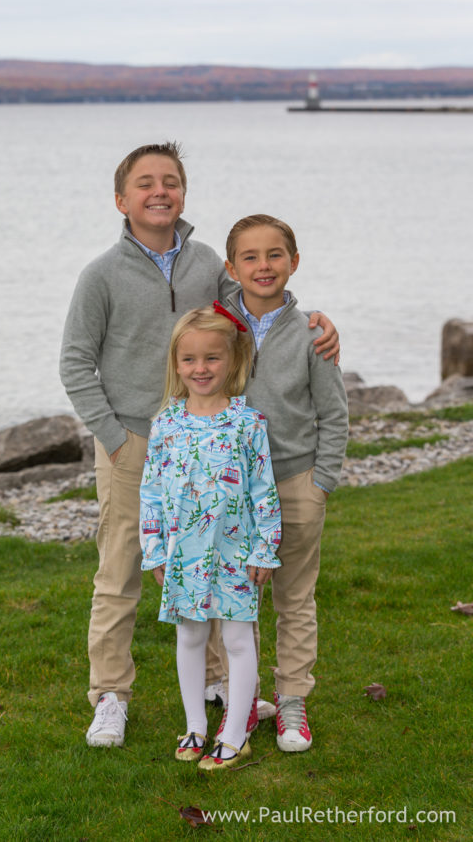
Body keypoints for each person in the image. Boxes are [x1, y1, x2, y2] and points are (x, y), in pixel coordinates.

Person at [59, 142, 339, 748]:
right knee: (122, 574)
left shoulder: (209, 262)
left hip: (216, 442)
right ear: (121, 199)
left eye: (170, 181)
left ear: (183, 193)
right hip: (135, 443)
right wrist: (112, 437)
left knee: (217, 556)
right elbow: (76, 364)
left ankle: (219, 681)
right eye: (144, 183)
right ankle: (110, 696)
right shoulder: (100, 275)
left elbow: (253, 305)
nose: (159, 191)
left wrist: (316, 320)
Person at [219, 213, 349, 753]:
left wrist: (322, 482)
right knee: (237, 599)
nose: (263, 266)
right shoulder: (218, 326)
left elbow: (334, 414)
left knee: (294, 598)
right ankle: (242, 700)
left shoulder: (312, 334)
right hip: (230, 489)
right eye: (249, 257)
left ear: (294, 262)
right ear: (231, 268)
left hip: (295, 481)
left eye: (275, 255)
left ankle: (292, 700)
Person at [140, 304, 282, 770]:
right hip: (185, 554)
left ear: (232, 361)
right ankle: (196, 726)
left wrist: (265, 548)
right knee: (191, 637)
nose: (200, 369)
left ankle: (236, 732)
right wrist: (155, 551)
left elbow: (263, 490)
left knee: (239, 640)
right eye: (189, 360)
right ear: (176, 365)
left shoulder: (248, 423)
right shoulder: (166, 424)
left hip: (236, 553)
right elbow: (152, 494)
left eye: (212, 358)